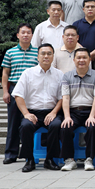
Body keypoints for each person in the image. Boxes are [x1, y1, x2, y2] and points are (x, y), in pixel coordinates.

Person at [12, 43, 63, 172]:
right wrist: (26, 114)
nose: (46, 56)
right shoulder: (28, 73)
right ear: (38, 56)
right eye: (43, 53)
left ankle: (50, 160)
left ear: (53, 56)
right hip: (32, 112)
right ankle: (29, 160)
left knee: (56, 125)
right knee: (25, 126)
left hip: (51, 112)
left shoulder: (59, 74)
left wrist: (54, 112)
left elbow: (63, 97)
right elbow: (18, 95)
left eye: (49, 54)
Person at [59, 48, 95, 171]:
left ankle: (89, 159)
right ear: (74, 60)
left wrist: (92, 116)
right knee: (65, 127)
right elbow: (65, 97)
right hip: (73, 111)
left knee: (92, 127)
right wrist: (67, 116)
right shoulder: (67, 76)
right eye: (79, 57)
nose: (81, 60)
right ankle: (69, 160)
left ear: (89, 60)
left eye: (84, 57)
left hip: (91, 111)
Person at [1, 23, 38, 165]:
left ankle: (29, 153)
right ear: (18, 35)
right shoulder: (10, 52)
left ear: (32, 35)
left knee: (30, 121)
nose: (25, 35)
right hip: (14, 89)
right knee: (13, 122)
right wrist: (5, 92)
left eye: (28, 32)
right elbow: (5, 73)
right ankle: (11, 154)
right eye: (23, 32)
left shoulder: (37, 52)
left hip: (32, 91)